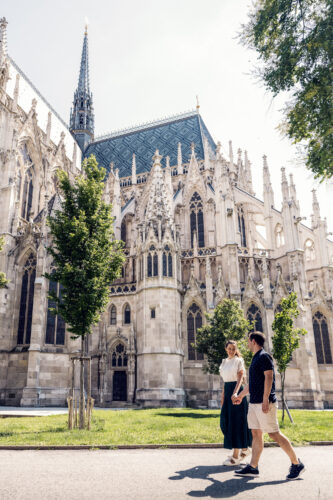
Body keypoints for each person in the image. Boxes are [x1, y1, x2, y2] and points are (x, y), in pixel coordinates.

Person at [232, 331, 305, 480]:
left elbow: (269, 376)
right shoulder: (255, 358)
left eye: (248, 341)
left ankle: (297, 464)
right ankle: (253, 467)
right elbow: (252, 384)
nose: (247, 344)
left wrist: (265, 399)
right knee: (256, 433)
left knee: (273, 433)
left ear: (253, 341)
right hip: (254, 403)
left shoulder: (264, 356)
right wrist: (240, 396)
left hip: (264, 403)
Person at [219, 340, 252, 465]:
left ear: (236, 349)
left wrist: (236, 393)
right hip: (227, 393)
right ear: (226, 349)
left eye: (233, 348)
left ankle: (236, 456)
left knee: (236, 423)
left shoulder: (239, 361)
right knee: (225, 422)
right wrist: (223, 397)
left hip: (236, 392)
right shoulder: (224, 362)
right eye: (229, 348)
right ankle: (244, 449)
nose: (231, 351)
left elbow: (240, 379)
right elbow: (225, 382)